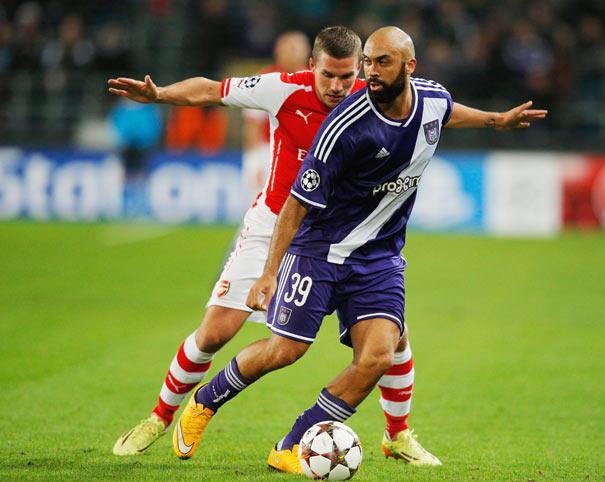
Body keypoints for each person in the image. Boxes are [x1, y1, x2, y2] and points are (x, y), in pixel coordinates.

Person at [172, 26, 547, 473]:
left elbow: (447, 113)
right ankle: (206, 399)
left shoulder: (431, 99)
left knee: (378, 355)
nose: (370, 72)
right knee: (285, 351)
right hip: (319, 249)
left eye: (381, 62)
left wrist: (495, 120)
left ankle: (294, 443)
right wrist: (270, 272)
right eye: (367, 62)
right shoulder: (344, 127)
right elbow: (295, 203)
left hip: (378, 256)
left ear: (410, 66)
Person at [108, 26, 441, 467]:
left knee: (392, 339)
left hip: (336, 233)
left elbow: (436, 110)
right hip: (273, 223)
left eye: (348, 77)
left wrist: (496, 120)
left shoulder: (373, 95)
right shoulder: (280, 89)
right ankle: (159, 416)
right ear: (311, 68)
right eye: (329, 76)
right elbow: (211, 89)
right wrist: (162, 95)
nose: (339, 87)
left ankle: (397, 435)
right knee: (217, 331)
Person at [242, 31, 310, 203]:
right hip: (269, 153)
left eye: (296, 47)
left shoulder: (315, 80)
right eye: (289, 47)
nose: (293, 52)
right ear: (277, 51)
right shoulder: (264, 79)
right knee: (258, 206)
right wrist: (254, 161)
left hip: (303, 154)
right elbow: (252, 123)